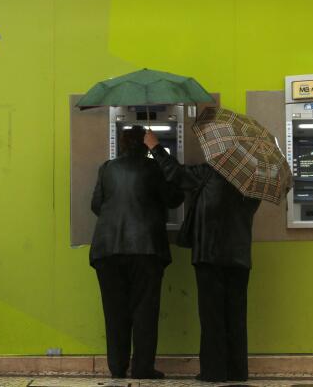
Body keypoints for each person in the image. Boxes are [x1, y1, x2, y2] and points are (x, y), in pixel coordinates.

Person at [145, 129, 261, 383]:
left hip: (210, 254)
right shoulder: (252, 181)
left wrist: (155, 147)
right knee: (236, 316)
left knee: (212, 316)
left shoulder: (209, 173)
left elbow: (176, 174)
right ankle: (237, 371)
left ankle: (214, 371)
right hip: (239, 256)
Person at [89, 125, 182, 379]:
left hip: (107, 250)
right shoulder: (154, 168)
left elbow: (96, 205)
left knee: (115, 311)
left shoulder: (106, 168)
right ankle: (142, 368)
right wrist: (160, 152)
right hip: (145, 249)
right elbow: (175, 198)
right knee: (144, 311)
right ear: (145, 146)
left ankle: (117, 367)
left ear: (121, 145)